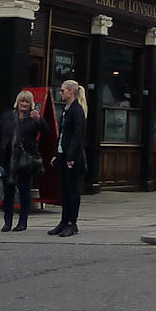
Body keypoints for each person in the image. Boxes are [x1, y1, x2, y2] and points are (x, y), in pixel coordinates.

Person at [0, 91, 45, 232]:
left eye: (27, 102)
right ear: (18, 102)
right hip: (8, 159)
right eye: (22, 101)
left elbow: (47, 133)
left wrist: (39, 120)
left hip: (25, 161)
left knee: (24, 191)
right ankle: (7, 221)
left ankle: (22, 222)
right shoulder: (8, 116)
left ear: (31, 103)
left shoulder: (34, 117)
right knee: (7, 191)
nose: (24, 104)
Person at [48, 79, 88, 236]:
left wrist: (70, 157)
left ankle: (72, 223)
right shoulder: (67, 110)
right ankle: (64, 221)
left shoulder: (77, 110)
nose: (61, 92)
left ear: (71, 92)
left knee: (73, 191)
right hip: (63, 155)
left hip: (73, 158)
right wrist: (56, 155)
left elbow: (77, 136)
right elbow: (63, 135)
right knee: (64, 191)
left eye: (63, 90)